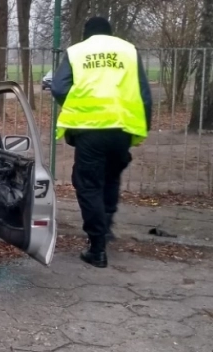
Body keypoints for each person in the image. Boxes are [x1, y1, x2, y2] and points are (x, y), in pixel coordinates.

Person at [51, 17, 152, 268]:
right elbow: (144, 94)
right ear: (110, 32)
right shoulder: (128, 51)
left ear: (86, 34)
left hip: (90, 130)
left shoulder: (77, 52)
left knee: (88, 185)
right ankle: (106, 229)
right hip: (122, 128)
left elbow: (59, 87)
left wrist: (78, 105)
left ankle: (97, 248)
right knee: (111, 177)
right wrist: (141, 128)